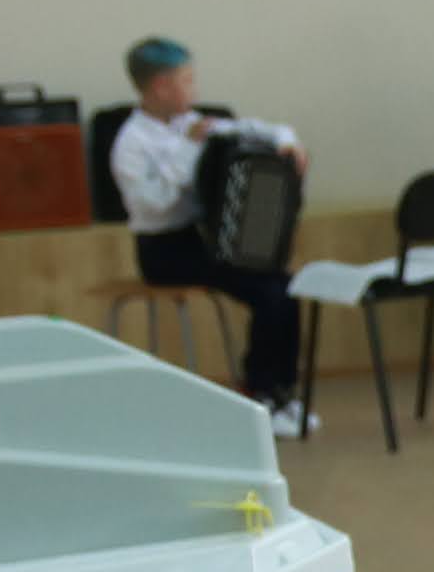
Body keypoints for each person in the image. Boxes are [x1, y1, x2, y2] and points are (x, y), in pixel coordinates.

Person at [103, 36, 309, 429]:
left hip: (203, 240)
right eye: (187, 81)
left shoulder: (189, 123)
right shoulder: (131, 143)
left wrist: (286, 141)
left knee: (284, 284)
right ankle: (261, 394)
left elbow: (256, 128)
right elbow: (154, 204)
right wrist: (188, 150)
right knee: (267, 293)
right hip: (164, 251)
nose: (194, 90)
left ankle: (284, 391)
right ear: (161, 86)